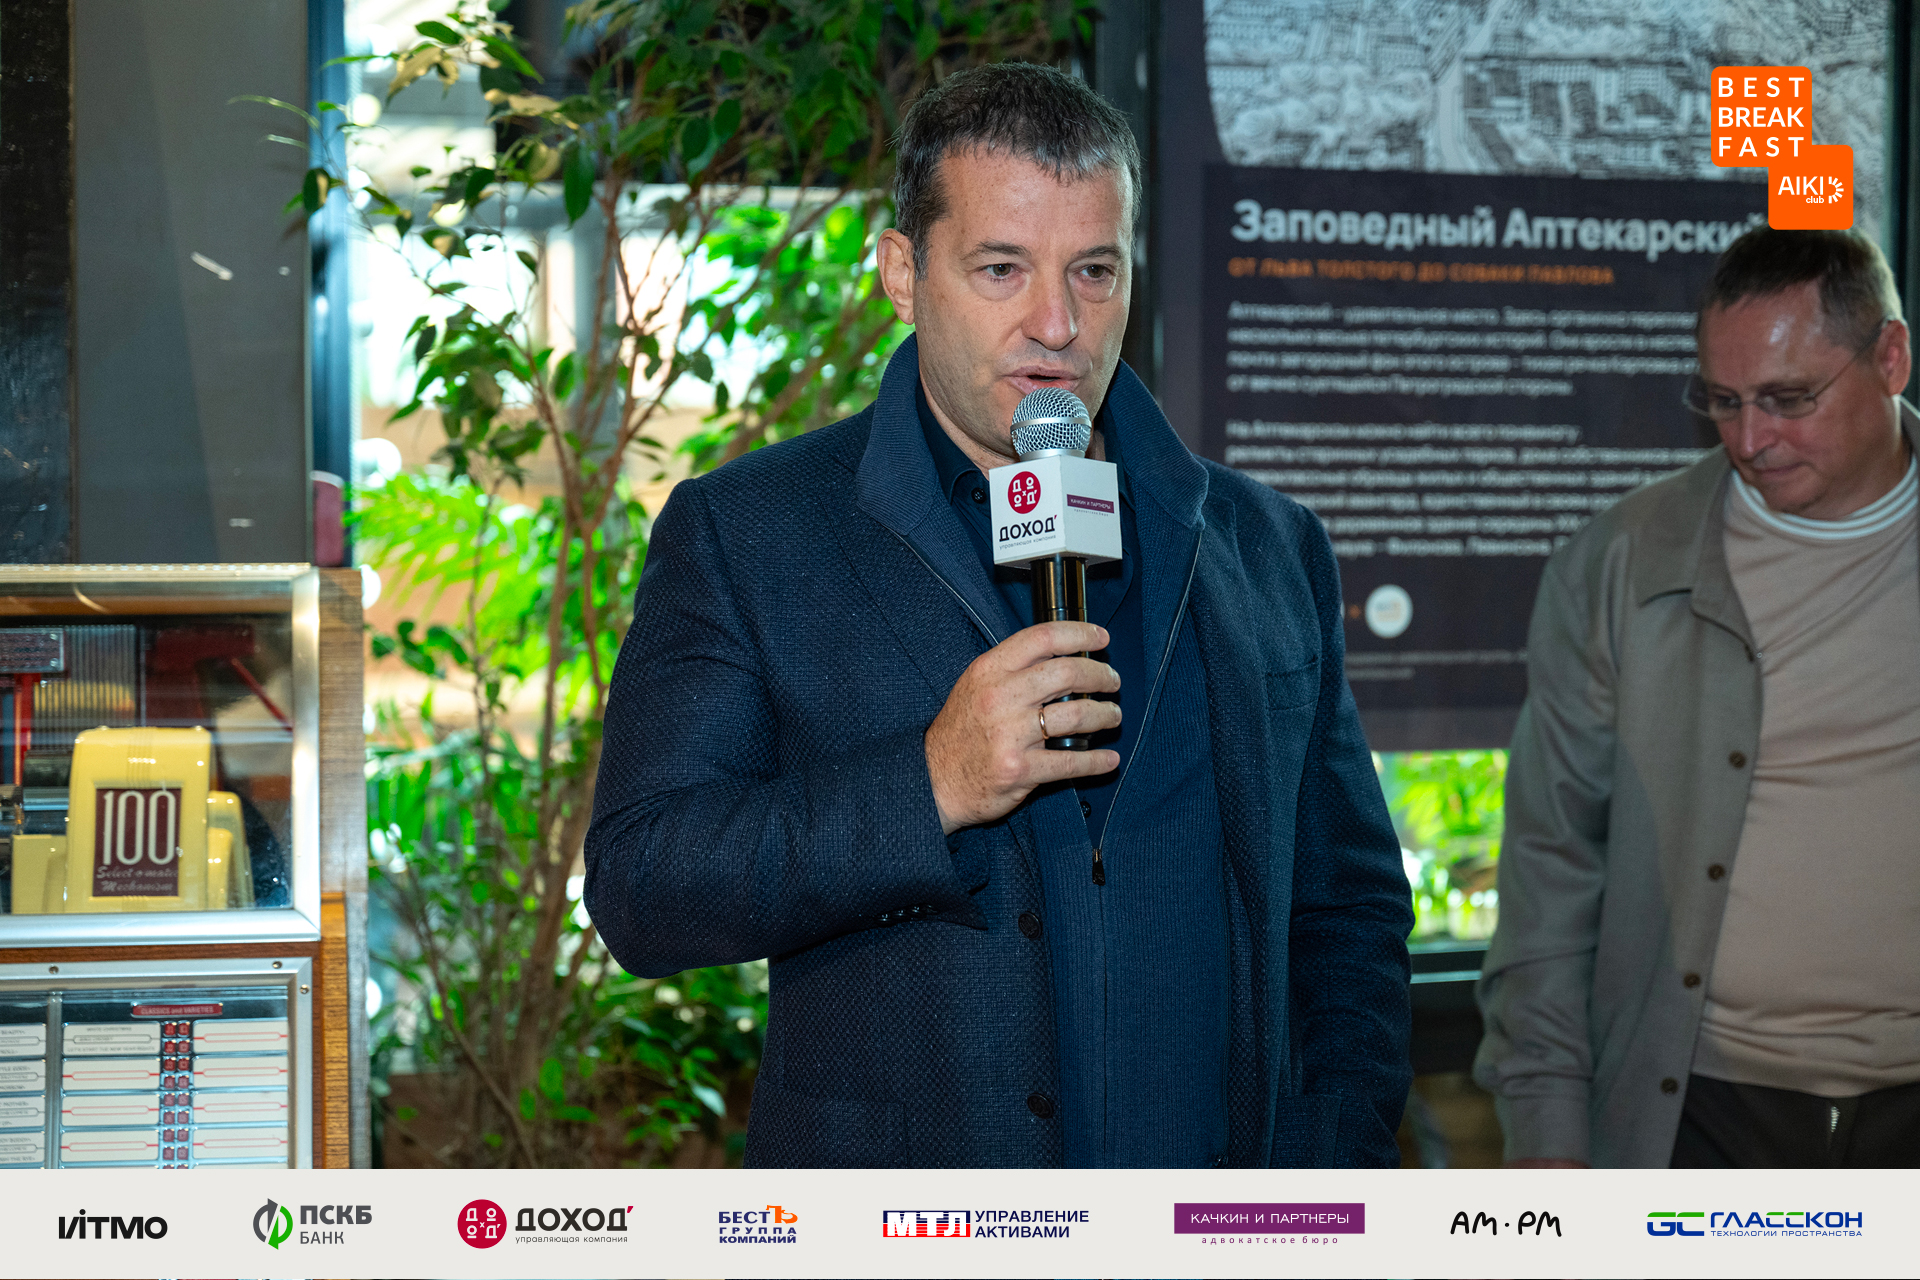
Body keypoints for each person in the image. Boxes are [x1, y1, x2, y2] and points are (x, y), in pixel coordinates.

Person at [584, 61, 1411, 1169]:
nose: (1057, 324)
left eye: (1094, 271)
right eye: (1001, 268)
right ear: (903, 273)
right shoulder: (750, 532)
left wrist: (1332, 1163)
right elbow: (643, 885)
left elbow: (1349, 908)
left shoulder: (1268, 544)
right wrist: (930, 783)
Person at [1476, 227, 1919, 1168]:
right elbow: (1552, 873)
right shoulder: (1623, 566)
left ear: (1891, 358)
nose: (1750, 439)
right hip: (1702, 1116)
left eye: (1788, 399)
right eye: (1723, 401)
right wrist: (1548, 1135)